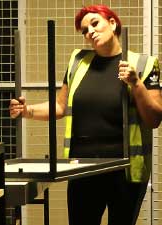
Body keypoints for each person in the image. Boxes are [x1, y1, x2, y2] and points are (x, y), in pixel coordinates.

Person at [9, 4, 162, 225]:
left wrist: (135, 83)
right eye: (84, 30)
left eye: (94, 23)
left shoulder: (145, 64)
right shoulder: (78, 61)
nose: (89, 31)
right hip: (83, 167)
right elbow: (60, 106)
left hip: (125, 169)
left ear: (112, 23)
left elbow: (154, 118)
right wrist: (28, 111)